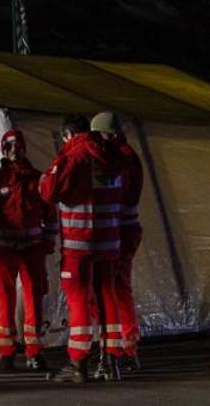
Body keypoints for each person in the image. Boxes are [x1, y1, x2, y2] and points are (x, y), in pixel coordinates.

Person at [39, 113, 126, 383]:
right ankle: (111, 362)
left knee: (78, 302)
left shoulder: (73, 156)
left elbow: (49, 191)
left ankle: (78, 364)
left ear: (68, 135)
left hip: (79, 243)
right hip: (109, 239)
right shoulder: (114, 156)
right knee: (108, 298)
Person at [0, 130, 57, 373]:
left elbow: (50, 215)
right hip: (4, 252)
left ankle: (34, 352)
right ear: (3, 149)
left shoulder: (37, 179)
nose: (13, 150)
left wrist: (47, 243)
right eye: (9, 146)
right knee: (5, 300)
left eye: (17, 145)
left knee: (34, 299)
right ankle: (6, 354)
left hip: (32, 249)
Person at [91, 111, 143, 370]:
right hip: (127, 228)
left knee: (116, 288)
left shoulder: (119, 159)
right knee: (119, 287)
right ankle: (126, 346)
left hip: (119, 230)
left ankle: (124, 347)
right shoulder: (128, 155)